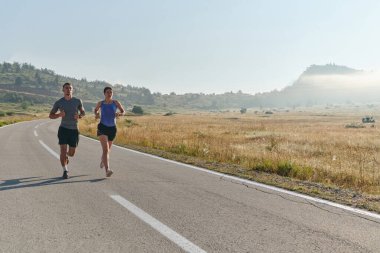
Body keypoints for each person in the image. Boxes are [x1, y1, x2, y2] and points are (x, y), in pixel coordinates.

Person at [49, 82, 85, 179]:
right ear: (63, 90)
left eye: (70, 88)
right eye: (66, 88)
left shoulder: (77, 101)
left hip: (74, 130)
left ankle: (67, 156)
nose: (68, 90)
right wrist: (59, 115)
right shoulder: (59, 102)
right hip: (63, 129)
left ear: (72, 90)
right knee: (63, 150)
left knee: (72, 153)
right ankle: (65, 170)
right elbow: (51, 115)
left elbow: (83, 112)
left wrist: (80, 116)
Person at [94, 86, 125, 177]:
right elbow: (95, 110)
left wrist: (120, 113)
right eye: (107, 92)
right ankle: (107, 170)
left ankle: (103, 160)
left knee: (107, 150)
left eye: (111, 92)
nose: (109, 93)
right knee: (106, 149)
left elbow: (123, 111)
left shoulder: (116, 103)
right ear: (104, 93)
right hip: (102, 127)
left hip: (112, 128)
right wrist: (96, 114)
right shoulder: (101, 103)